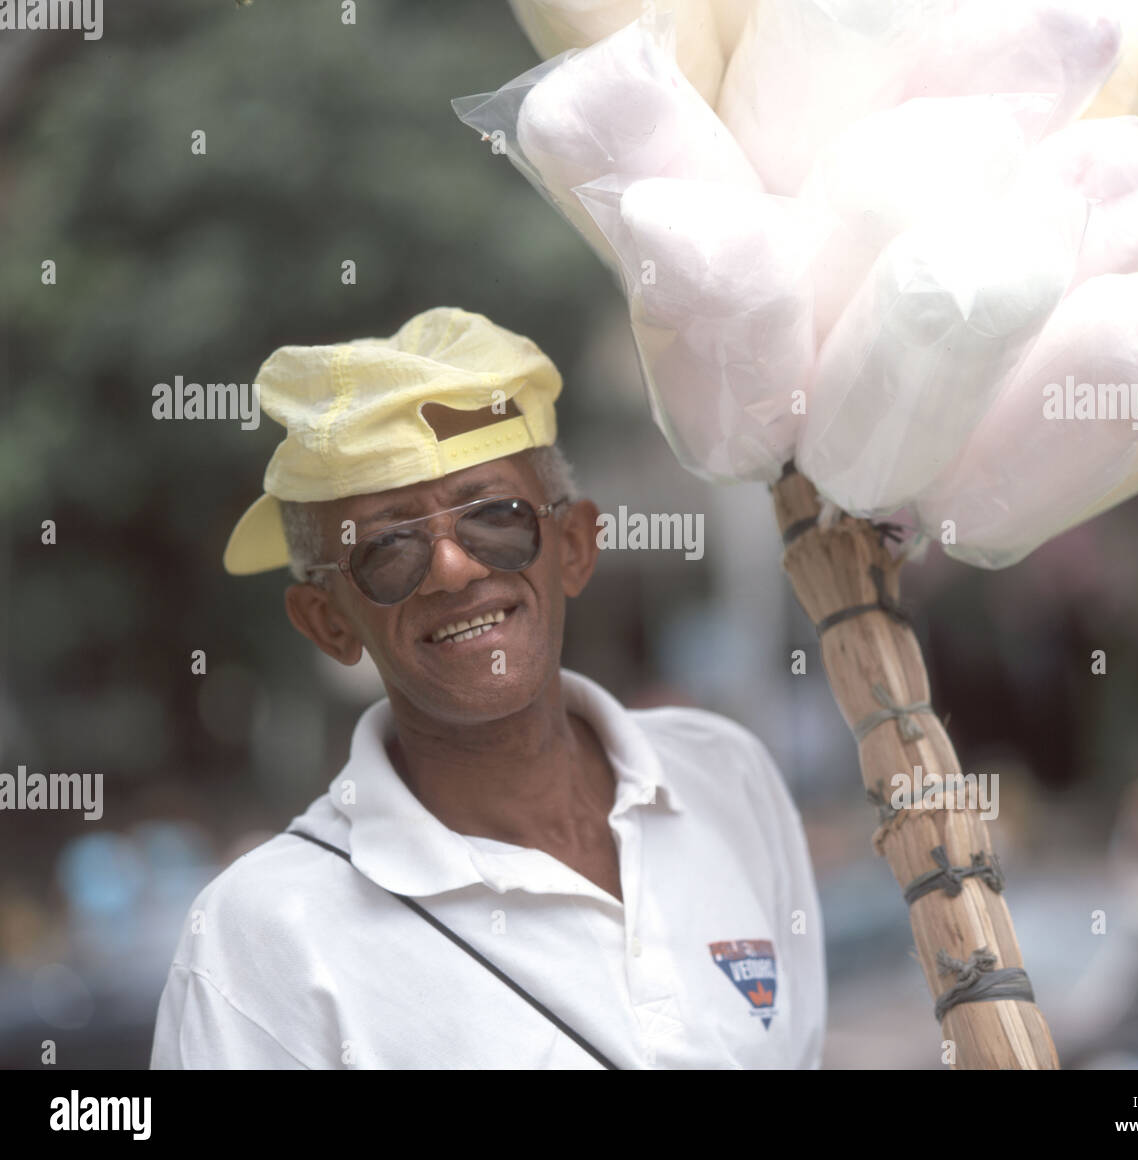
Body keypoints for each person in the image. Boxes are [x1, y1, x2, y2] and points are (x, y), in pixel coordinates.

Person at [149, 305, 826, 1069]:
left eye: (496, 518)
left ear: (573, 547)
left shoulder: (725, 776)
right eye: (389, 547)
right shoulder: (258, 940)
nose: (454, 567)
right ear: (327, 622)